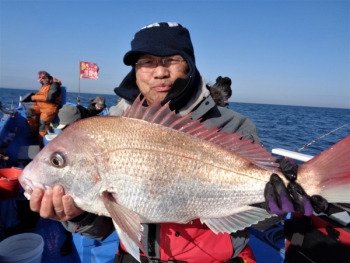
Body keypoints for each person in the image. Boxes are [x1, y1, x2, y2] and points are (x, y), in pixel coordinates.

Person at [29, 22, 327, 263]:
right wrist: (77, 216)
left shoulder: (233, 125)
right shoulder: (113, 124)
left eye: (171, 60)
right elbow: (103, 226)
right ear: (135, 71)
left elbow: (256, 216)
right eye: (147, 62)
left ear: (190, 66)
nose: (160, 71)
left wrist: (273, 198)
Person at [25, 71, 62, 147]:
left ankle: (41, 145)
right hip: (40, 105)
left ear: (47, 77)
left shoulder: (55, 85)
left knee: (43, 123)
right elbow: (41, 94)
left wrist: (33, 97)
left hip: (50, 107)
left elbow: (49, 97)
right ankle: (35, 132)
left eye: (42, 79)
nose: (41, 80)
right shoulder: (44, 85)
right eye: (40, 79)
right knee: (29, 111)